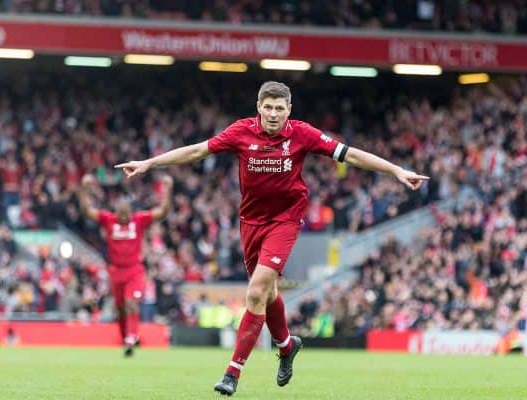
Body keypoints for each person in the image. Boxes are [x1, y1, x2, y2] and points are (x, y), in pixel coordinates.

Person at [115, 81, 429, 395]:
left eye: (280, 108)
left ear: (289, 110)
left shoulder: (302, 134)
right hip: (250, 222)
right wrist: (149, 163)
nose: (274, 113)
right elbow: (198, 151)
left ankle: (232, 372)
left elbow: (349, 155)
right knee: (268, 292)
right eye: (269, 107)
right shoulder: (241, 132)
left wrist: (396, 170)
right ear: (259, 107)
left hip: (286, 220)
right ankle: (287, 345)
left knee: (256, 292)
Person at [78, 173, 173, 357]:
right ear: (116, 211)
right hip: (115, 272)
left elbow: (162, 212)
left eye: (126, 213)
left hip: (134, 271)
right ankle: (126, 339)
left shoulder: (138, 220)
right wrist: (84, 188)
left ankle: (130, 339)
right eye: (121, 214)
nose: (124, 217)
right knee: (120, 309)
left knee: (131, 304)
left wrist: (168, 190)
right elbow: (86, 209)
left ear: (130, 211)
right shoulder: (108, 220)